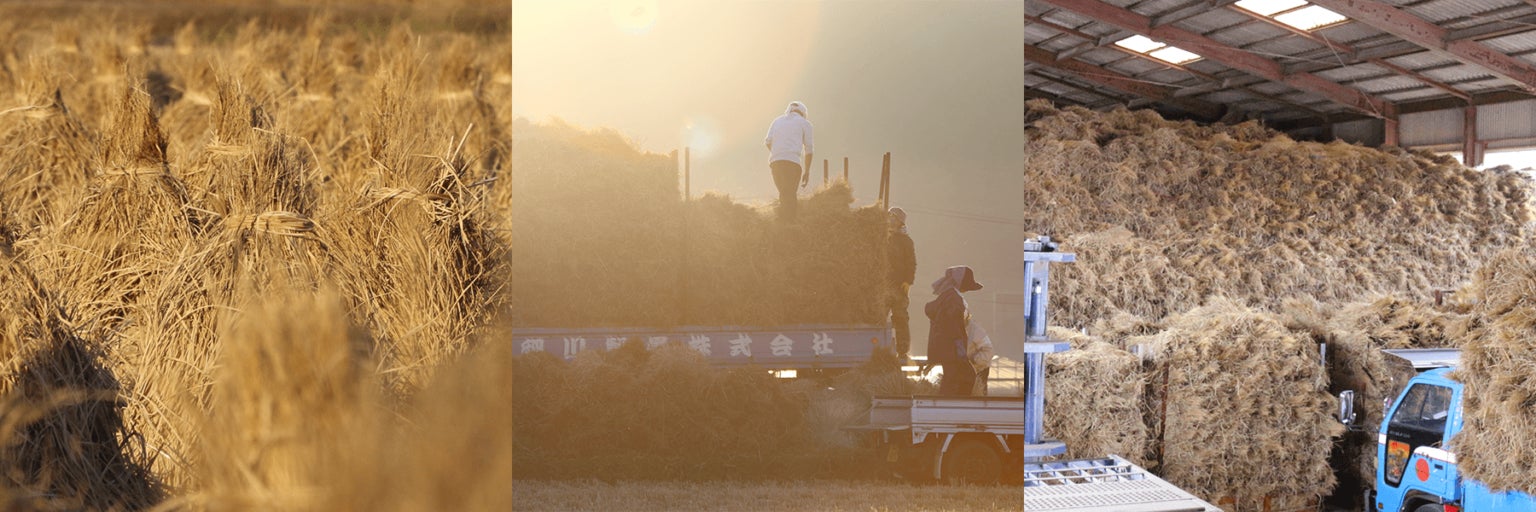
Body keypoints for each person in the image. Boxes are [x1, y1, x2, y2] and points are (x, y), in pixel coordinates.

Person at [925, 266, 982, 396]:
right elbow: (951, 324)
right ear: (961, 282)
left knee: (952, 378)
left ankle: (951, 405)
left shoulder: (949, 295)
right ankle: (955, 406)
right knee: (966, 376)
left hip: (946, 347)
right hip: (951, 347)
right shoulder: (953, 298)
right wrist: (959, 347)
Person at [763, 101, 814, 221]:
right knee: (790, 194)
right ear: (803, 113)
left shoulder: (777, 121)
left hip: (775, 162)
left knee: (784, 193)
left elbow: (767, 141)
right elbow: (809, 149)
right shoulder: (805, 124)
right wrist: (807, 171)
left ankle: (783, 224)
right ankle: (790, 224)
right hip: (792, 162)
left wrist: (777, 152)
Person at [886, 207, 916, 361]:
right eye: (889, 216)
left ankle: (902, 350)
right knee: (878, 318)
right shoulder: (881, 237)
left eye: (894, 217)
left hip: (898, 287)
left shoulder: (905, 241)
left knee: (901, 318)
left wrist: (908, 281)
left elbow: (911, 263)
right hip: (882, 286)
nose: (891, 219)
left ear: (900, 222)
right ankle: (878, 350)